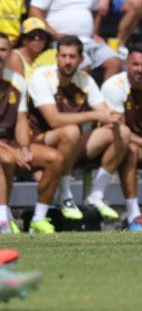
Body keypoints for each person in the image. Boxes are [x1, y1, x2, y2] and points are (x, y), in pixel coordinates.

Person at [25, 35, 120, 233]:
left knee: (123, 133)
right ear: (56, 57)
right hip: (38, 139)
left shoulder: (85, 80)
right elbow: (53, 120)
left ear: (80, 59)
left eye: (72, 57)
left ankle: (96, 195)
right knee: (70, 131)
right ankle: (65, 195)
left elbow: (104, 112)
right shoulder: (42, 76)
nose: (67, 61)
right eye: (63, 56)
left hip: (72, 144)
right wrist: (97, 114)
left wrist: (113, 117)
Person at [0, 33, 65, 235]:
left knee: (55, 158)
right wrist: (9, 149)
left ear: (10, 53)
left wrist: (25, 148)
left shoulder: (17, 80)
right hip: (5, 147)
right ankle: (3, 219)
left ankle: (38, 218)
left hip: (10, 142)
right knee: (7, 158)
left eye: (3, 49)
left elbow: (21, 120)